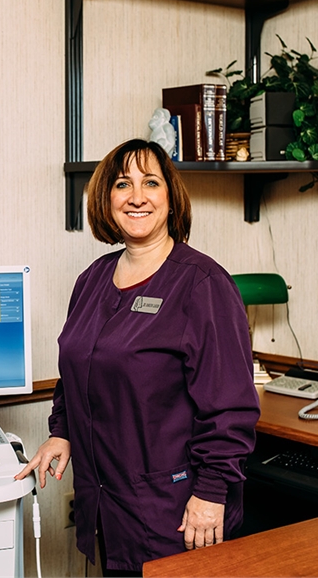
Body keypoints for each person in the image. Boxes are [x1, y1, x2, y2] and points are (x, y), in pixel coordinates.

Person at [15, 139, 260, 576]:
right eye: (123, 184)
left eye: (151, 183)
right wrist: (62, 433)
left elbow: (230, 406)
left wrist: (211, 492)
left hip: (179, 511)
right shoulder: (92, 281)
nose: (137, 196)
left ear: (171, 197)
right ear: (107, 200)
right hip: (108, 504)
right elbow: (77, 374)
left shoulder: (203, 284)